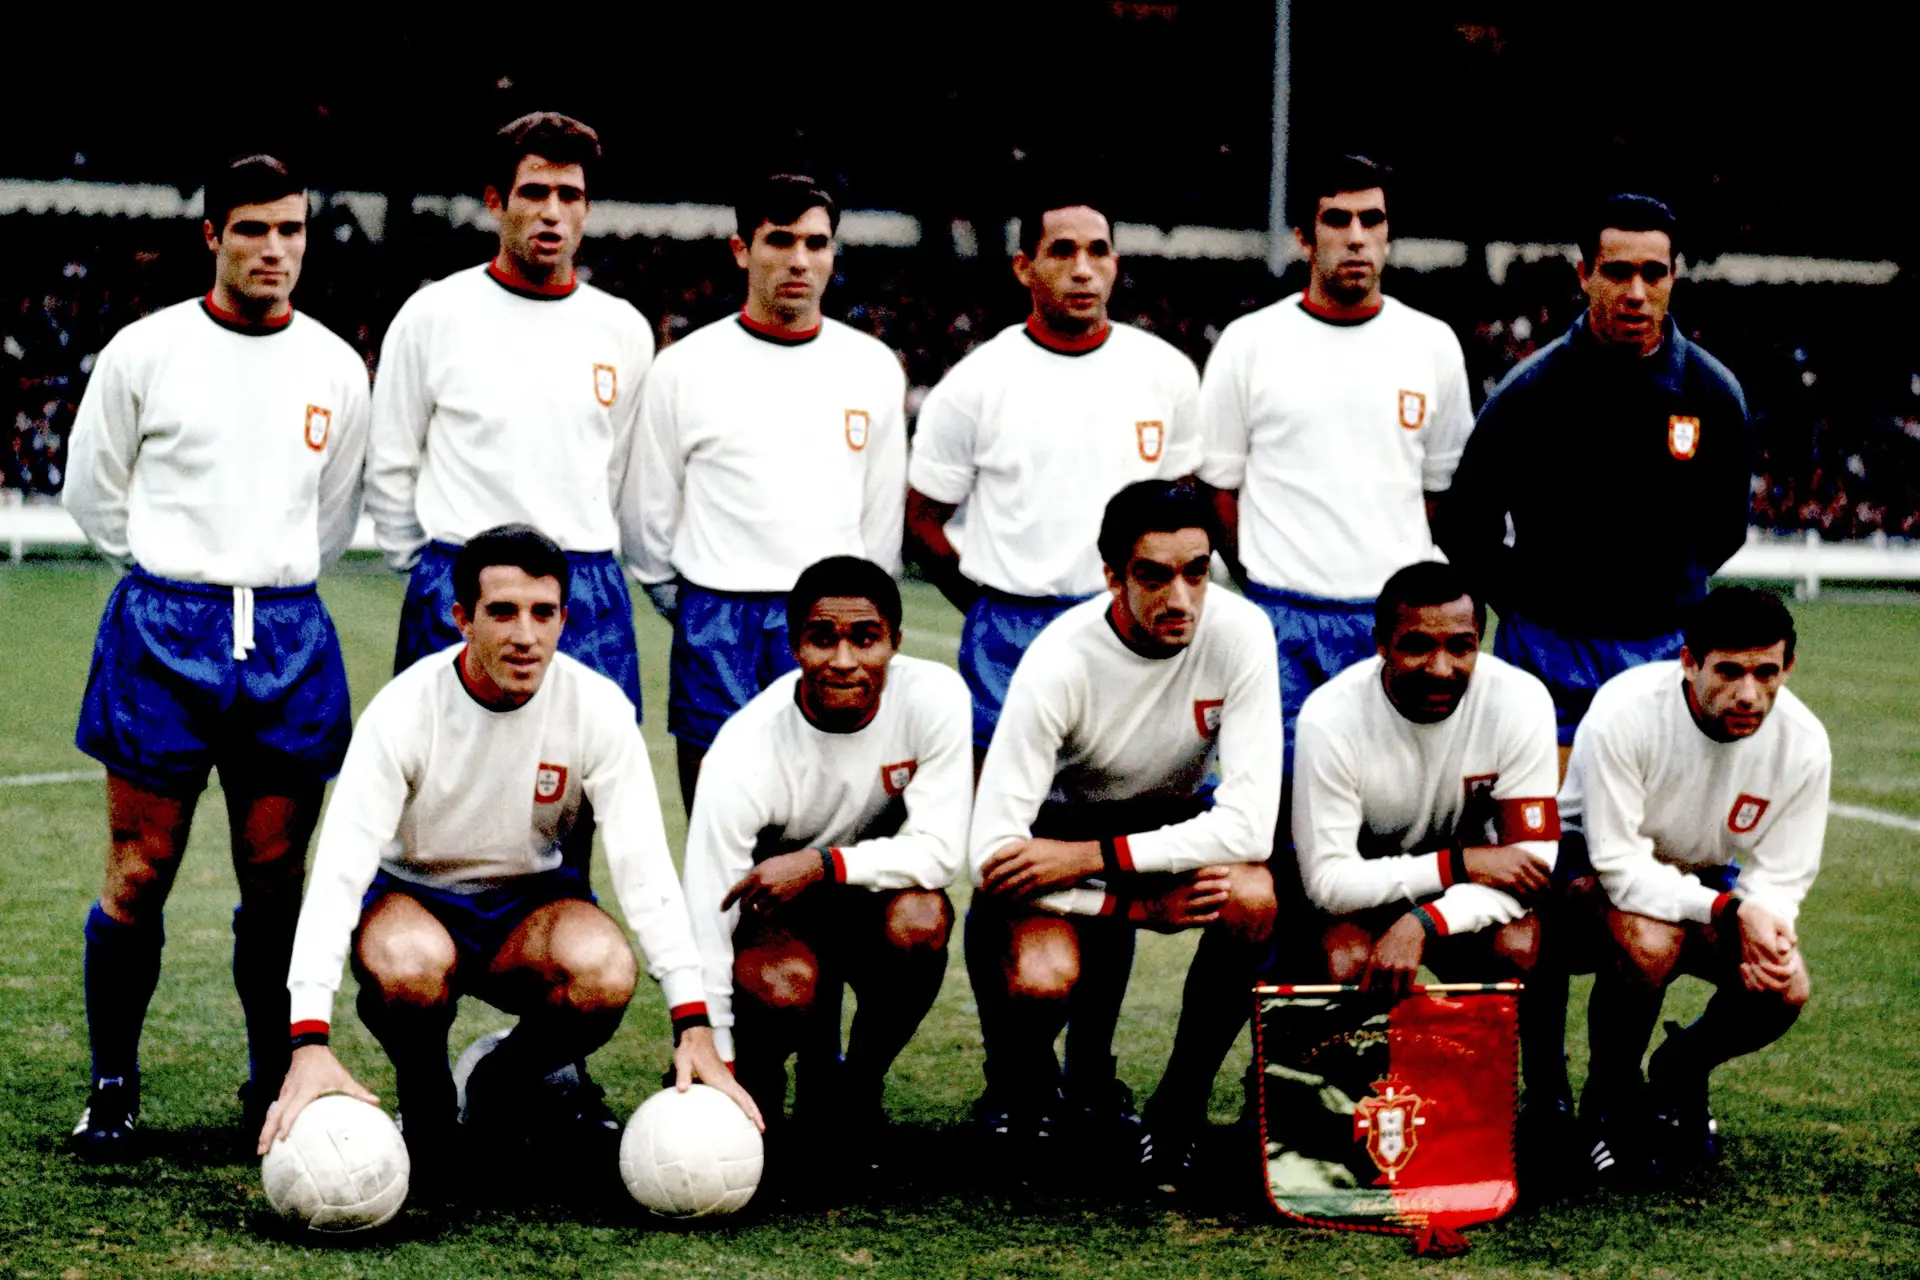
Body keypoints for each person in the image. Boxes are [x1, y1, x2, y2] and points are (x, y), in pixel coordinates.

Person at [260, 526, 760, 1187]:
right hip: (416, 904)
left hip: (531, 911)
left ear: (564, 618)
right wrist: (308, 1041)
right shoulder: (406, 710)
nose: (525, 635)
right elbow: (337, 876)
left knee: (604, 968)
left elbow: (646, 873)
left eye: (543, 613)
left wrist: (693, 1024)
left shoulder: (597, 708)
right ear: (461, 617)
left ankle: (500, 1079)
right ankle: (428, 1095)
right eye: (502, 612)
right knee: (407, 965)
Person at [61, 154, 370, 1160]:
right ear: (212, 236)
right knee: (139, 870)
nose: (275, 249)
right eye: (253, 229)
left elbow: (331, 514)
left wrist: (259, 580)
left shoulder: (333, 363)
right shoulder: (146, 351)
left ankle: (268, 1077)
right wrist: (179, 575)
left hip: (285, 627)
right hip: (164, 627)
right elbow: (93, 493)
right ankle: (113, 1085)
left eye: (291, 229)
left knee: (277, 873)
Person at [967, 479, 1281, 1191]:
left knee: (1251, 898)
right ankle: (1020, 1086)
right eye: (1154, 575)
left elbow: (1251, 824)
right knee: (1045, 979)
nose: (1181, 598)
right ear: (1112, 575)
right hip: (1057, 835)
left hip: (1140, 834)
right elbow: (991, 851)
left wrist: (1101, 860)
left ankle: (1179, 1110)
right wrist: (1121, 899)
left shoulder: (1241, 633)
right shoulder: (1060, 659)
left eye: (1197, 571)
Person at [1437, 194, 1754, 776]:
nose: (1635, 292)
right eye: (1617, 272)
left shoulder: (1714, 395)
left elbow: (1726, 528)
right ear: (1585, 275)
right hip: (1548, 654)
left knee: (1661, 843)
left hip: (1665, 651)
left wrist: (1660, 588)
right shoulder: (1528, 393)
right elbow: (1464, 525)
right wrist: (1532, 599)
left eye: (1653, 274)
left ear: (1673, 277)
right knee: (1542, 847)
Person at [680, 556, 971, 1175]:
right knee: (786, 986)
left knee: (922, 919)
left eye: (865, 638)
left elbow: (942, 851)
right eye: (822, 638)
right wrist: (712, 1046)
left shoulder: (935, 697)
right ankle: (754, 1078)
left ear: (895, 640)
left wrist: (821, 864)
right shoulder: (744, 748)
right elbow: (708, 909)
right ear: (793, 646)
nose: (843, 660)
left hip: (868, 896)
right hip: (773, 919)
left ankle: (854, 1085)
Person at [365, 111, 653, 719]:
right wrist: (429, 571)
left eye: (569, 195)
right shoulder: (432, 315)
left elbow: (621, 467)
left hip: (584, 587)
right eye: (534, 193)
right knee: (446, 789)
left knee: (578, 795)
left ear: (588, 208)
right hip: (463, 576)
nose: (552, 212)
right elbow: (390, 463)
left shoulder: (622, 328)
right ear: (497, 202)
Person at [634, 174, 908, 812]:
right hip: (717, 617)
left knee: (829, 819)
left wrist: (856, 616)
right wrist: (692, 602)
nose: (799, 259)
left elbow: (879, 518)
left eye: (817, 243)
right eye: (780, 241)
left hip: (829, 621)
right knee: (716, 823)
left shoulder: (870, 366)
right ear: (741, 250)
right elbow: (648, 512)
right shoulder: (684, 367)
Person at [1195, 154, 1473, 777]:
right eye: (1337, 219)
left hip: (1389, 621)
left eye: (1372, 220)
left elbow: (1438, 493)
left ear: (1388, 234)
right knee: (1271, 803)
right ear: (1303, 235)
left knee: (1389, 797)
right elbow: (1217, 488)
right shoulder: (1250, 343)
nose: (1356, 236)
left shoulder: (1431, 344)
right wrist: (1260, 576)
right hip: (1279, 618)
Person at [905, 193, 1201, 766]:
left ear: (1116, 262)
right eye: (1061, 252)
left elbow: (1181, 511)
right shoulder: (976, 384)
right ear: (1024, 267)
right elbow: (921, 521)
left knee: (1128, 810)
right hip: (1012, 631)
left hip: (1128, 625)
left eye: (1098, 252)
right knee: (1007, 826)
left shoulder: (1167, 374)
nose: (1083, 269)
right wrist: (987, 605)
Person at [1560, 587, 1828, 1182]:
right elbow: (1619, 866)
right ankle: (1608, 1099)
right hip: (1586, 867)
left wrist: (1765, 925)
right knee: (1652, 942)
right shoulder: (1625, 711)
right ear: (1689, 661)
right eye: (1728, 672)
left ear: (1788, 667)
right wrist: (1731, 913)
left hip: (1705, 876)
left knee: (1785, 985)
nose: (1748, 693)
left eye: (1766, 672)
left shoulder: (1804, 742)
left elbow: (1783, 873)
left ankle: (1680, 1070)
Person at [1291, 561, 1562, 1113]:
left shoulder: (1520, 700)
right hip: (1369, 893)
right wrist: (1456, 866)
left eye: (1461, 647)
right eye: (1417, 645)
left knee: (1520, 944)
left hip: (1462, 896)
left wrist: (1425, 922)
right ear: (1381, 644)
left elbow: (1532, 863)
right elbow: (1327, 883)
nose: (1441, 668)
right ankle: (1336, 1101)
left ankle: (1541, 1096)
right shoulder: (1331, 716)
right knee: (1347, 960)